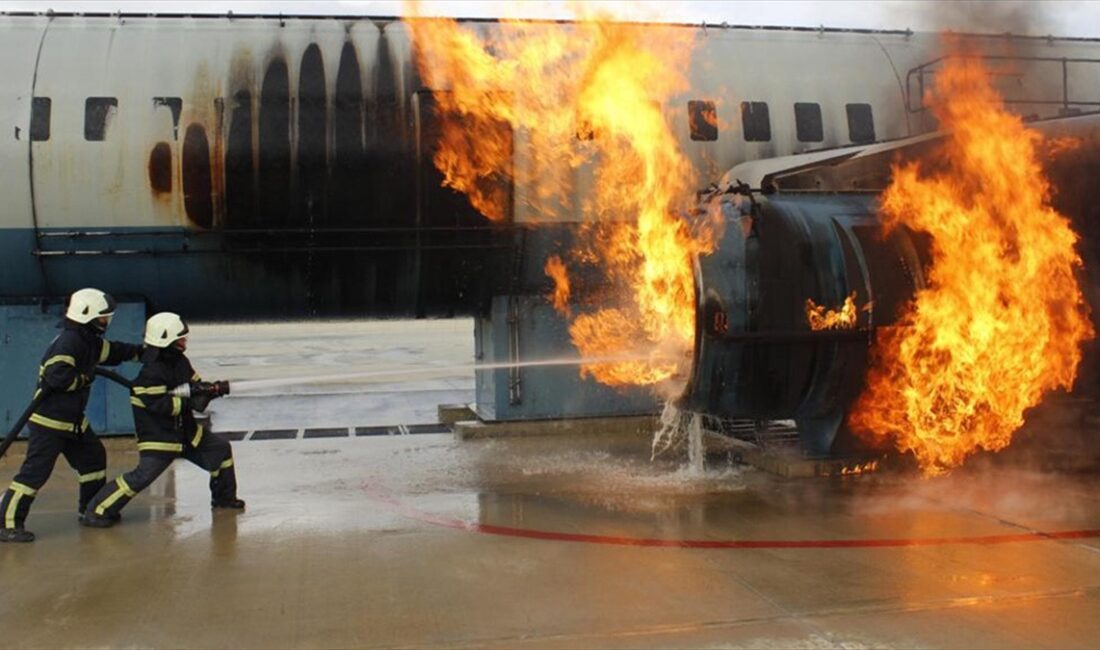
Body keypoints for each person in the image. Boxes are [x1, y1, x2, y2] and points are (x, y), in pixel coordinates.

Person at [0, 289, 142, 543]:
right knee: (35, 473)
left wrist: (140, 353)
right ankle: (7, 523)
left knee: (93, 459)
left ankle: (91, 509)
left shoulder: (88, 341)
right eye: (102, 319)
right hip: (50, 423)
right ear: (86, 316)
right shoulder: (70, 341)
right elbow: (56, 375)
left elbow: (113, 352)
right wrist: (84, 378)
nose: (105, 323)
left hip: (73, 421)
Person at [80, 312, 241, 528]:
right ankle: (97, 510)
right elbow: (160, 405)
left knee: (221, 451)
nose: (184, 342)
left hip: (186, 433)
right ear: (167, 342)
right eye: (180, 339)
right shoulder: (152, 373)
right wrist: (191, 402)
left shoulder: (180, 362)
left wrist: (210, 389)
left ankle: (224, 499)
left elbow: (193, 385)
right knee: (141, 477)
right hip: (160, 437)